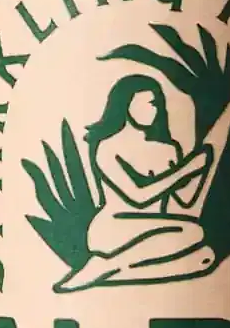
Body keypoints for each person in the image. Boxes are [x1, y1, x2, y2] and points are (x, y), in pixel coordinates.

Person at [61, 72, 219, 289]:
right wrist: (187, 170)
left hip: (156, 229)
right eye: (145, 104)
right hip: (114, 228)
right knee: (193, 233)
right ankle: (110, 266)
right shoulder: (108, 147)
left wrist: (203, 170)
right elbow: (138, 198)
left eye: (155, 104)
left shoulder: (168, 148)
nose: (152, 110)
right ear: (126, 105)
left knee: (205, 257)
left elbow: (186, 202)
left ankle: (109, 269)